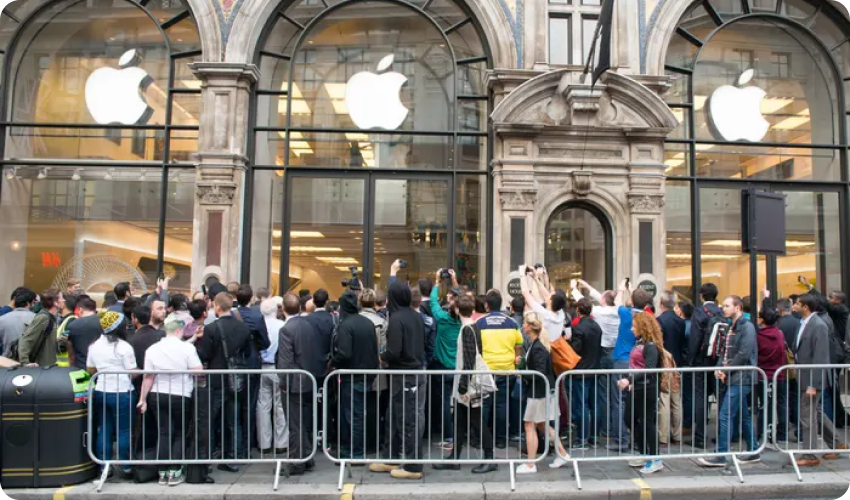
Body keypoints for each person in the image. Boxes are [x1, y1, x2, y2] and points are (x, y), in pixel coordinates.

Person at [433, 295, 499, 474]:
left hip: (467, 385)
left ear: (456, 310)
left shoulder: (467, 329)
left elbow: (469, 361)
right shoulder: (472, 326)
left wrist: (462, 388)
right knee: (461, 420)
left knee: (476, 420)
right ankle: (455, 457)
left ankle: (489, 458)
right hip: (468, 383)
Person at [137, 314, 203, 486]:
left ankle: (163, 472)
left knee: (164, 432)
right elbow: (198, 370)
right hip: (180, 394)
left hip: (157, 394)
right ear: (179, 330)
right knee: (180, 433)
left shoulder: (152, 349)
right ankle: (175, 471)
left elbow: (148, 377)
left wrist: (142, 399)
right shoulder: (187, 349)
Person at [370, 282, 426, 480]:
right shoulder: (416, 316)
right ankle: (391, 458)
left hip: (404, 374)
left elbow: (394, 351)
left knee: (405, 419)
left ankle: (413, 466)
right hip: (413, 372)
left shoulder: (396, 319)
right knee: (395, 416)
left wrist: (382, 357)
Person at [698, 295, 760, 467]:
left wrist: (725, 369)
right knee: (743, 416)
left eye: (726, 306)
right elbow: (725, 352)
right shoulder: (731, 326)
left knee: (725, 414)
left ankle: (721, 454)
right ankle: (753, 450)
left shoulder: (747, 327)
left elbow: (744, 354)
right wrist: (721, 368)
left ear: (737, 307)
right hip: (735, 376)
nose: (722, 308)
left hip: (742, 377)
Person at [197, 292, 254, 472]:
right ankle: (233, 457)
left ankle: (206, 458)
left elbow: (204, 354)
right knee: (233, 419)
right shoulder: (243, 328)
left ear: (217, 307)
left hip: (216, 377)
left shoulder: (212, 328)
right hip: (236, 378)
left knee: (210, 419)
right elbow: (248, 352)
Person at [790, 294, 848, 467]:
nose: (794, 306)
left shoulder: (818, 325)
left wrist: (813, 384)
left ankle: (810, 454)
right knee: (815, 412)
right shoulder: (805, 323)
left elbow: (821, 357)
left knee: (807, 417)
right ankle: (837, 442)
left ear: (806, 307)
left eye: (797, 304)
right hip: (804, 376)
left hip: (811, 379)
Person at [515, 311, 570, 474]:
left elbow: (538, 372)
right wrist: (523, 363)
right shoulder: (537, 344)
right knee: (541, 424)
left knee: (529, 424)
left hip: (538, 392)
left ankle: (531, 464)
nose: (523, 325)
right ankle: (562, 454)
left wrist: (523, 374)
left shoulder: (538, 346)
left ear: (531, 327)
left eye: (525, 323)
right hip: (542, 391)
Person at [87, 311, 137, 479]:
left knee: (104, 429)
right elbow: (133, 372)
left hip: (101, 390)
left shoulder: (94, 346)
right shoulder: (124, 347)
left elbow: (90, 369)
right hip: (122, 392)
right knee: (123, 430)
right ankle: (126, 466)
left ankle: (104, 467)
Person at [331, 290, 379, 460]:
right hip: (367, 373)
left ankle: (355, 452)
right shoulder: (367, 323)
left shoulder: (346, 325)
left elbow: (344, 353)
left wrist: (333, 361)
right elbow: (375, 348)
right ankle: (354, 449)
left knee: (352, 415)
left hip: (352, 375)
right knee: (358, 414)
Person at [277, 294, 321, 475]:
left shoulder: (287, 329)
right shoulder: (309, 324)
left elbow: (286, 361)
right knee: (305, 422)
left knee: (295, 423)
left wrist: (284, 382)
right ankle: (306, 457)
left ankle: (297, 462)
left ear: (283, 309)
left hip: (295, 382)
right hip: (310, 378)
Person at [573, 279, 621, 444]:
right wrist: (586, 284)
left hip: (600, 357)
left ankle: (593, 434)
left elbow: (584, 304)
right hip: (614, 354)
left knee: (598, 398)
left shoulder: (598, 313)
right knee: (612, 397)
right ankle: (603, 432)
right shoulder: (618, 311)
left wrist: (574, 288)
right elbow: (598, 299)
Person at [617, 312, 664, 474]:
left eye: (634, 326)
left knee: (647, 422)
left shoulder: (651, 346)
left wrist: (629, 380)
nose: (631, 329)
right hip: (637, 388)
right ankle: (645, 452)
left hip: (647, 389)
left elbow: (649, 370)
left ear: (642, 327)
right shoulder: (640, 343)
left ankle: (655, 458)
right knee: (629, 418)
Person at [477, 289, 524, 450]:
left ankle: (482, 439)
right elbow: (519, 345)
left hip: (486, 369)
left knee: (485, 405)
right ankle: (500, 439)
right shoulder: (512, 322)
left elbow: (477, 347)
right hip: (506, 369)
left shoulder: (480, 323)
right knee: (502, 405)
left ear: (486, 305)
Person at [610, 283, 652, 452]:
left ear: (632, 301)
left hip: (622, 359)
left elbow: (617, 302)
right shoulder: (648, 316)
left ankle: (621, 440)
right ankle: (637, 440)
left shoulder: (627, 313)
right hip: (640, 362)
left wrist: (621, 288)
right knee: (635, 403)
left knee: (619, 402)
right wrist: (634, 291)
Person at [688, 283, 724, 449]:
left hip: (701, 360)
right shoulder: (722, 312)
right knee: (720, 397)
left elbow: (695, 338)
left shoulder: (699, 311)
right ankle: (723, 435)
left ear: (702, 295)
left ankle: (700, 437)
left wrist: (691, 359)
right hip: (717, 360)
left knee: (700, 398)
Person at [429, 272, 462, 449]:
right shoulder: (463, 321)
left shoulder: (442, 319)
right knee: (459, 402)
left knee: (444, 403)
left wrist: (437, 282)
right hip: (458, 367)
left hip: (443, 366)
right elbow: (463, 300)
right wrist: (454, 281)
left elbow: (433, 302)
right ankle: (459, 435)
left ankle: (449, 437)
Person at [568, 298, 603, 449]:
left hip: (581, 370)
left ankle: (582, 438)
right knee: (594, 404)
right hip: (595, 368)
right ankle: (594, 437)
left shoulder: (578, 328)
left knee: (581, 405)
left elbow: (575, 350)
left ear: (578, 310)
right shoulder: (597, 327)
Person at [257, 297, 288, 455]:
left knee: (263, 405)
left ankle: (264, 442)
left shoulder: (258, 326)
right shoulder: (282, 326)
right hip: (277, 367)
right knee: (280, 406)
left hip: (262, 367)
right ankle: (281, 442)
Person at [755, 305, 788, 446]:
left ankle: (762, 432)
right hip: (779, 374)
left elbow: (757, 355)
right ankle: (782, 433)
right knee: (781, 403)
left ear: (762, 320)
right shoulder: (779, 333)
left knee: (764, 405)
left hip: (764, 375)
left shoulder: (759, 336)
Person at [656, 291, 686, 447]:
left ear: (661, 303)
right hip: (678, 364)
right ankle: (677, 435)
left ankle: (663, 436)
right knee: (676, 401)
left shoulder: (659, 321)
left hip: (664, 364)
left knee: (664, 400)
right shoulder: (681, 322)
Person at [17, 289, 63, 367]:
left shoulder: (52, 317)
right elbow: (26, 339)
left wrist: (57, 340)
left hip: (48, 366)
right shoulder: (43, 318)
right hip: (40, 367)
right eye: (62, 298)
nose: (63, 300)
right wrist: (25, 363)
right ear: (55, 303)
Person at [65, 296, 102, 370]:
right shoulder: (103, 323)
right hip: (100, 366)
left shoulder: (72, 325)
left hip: (80, 367)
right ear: (95, 309)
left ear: (80, 309)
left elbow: (67, 344)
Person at [0, 287, 35, 356]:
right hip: (31, 362)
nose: (34, 305)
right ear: (28, 303)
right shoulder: (37, 319)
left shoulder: (2, 319)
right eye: (33, 303)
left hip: (7, 361)